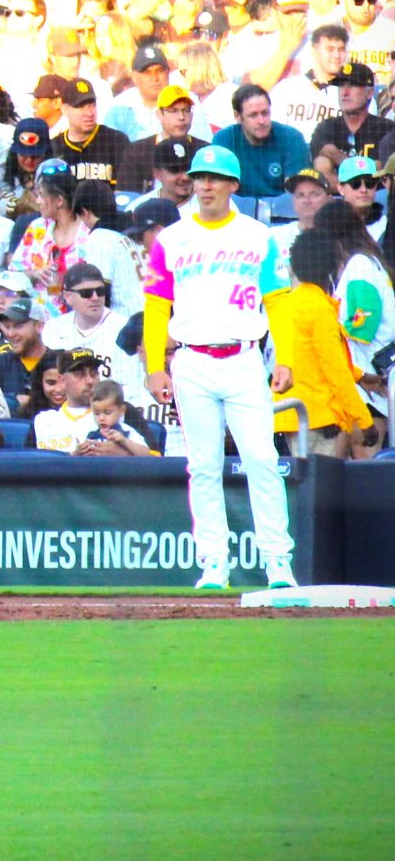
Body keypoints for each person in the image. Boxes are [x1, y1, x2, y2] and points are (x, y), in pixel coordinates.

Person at [143, 145, 296, 590]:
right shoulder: (171, 239)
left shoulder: (258, 235)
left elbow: (278, 301)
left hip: (245, 357)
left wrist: (283, 357)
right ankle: (214, 563)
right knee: (204, 466)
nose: (205, 185)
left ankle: (277, 562)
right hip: (191, 359)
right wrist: (155, 365)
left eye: (215, 177)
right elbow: (155, 308)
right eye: (199, 177)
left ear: (233, 185)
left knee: (263, 460)